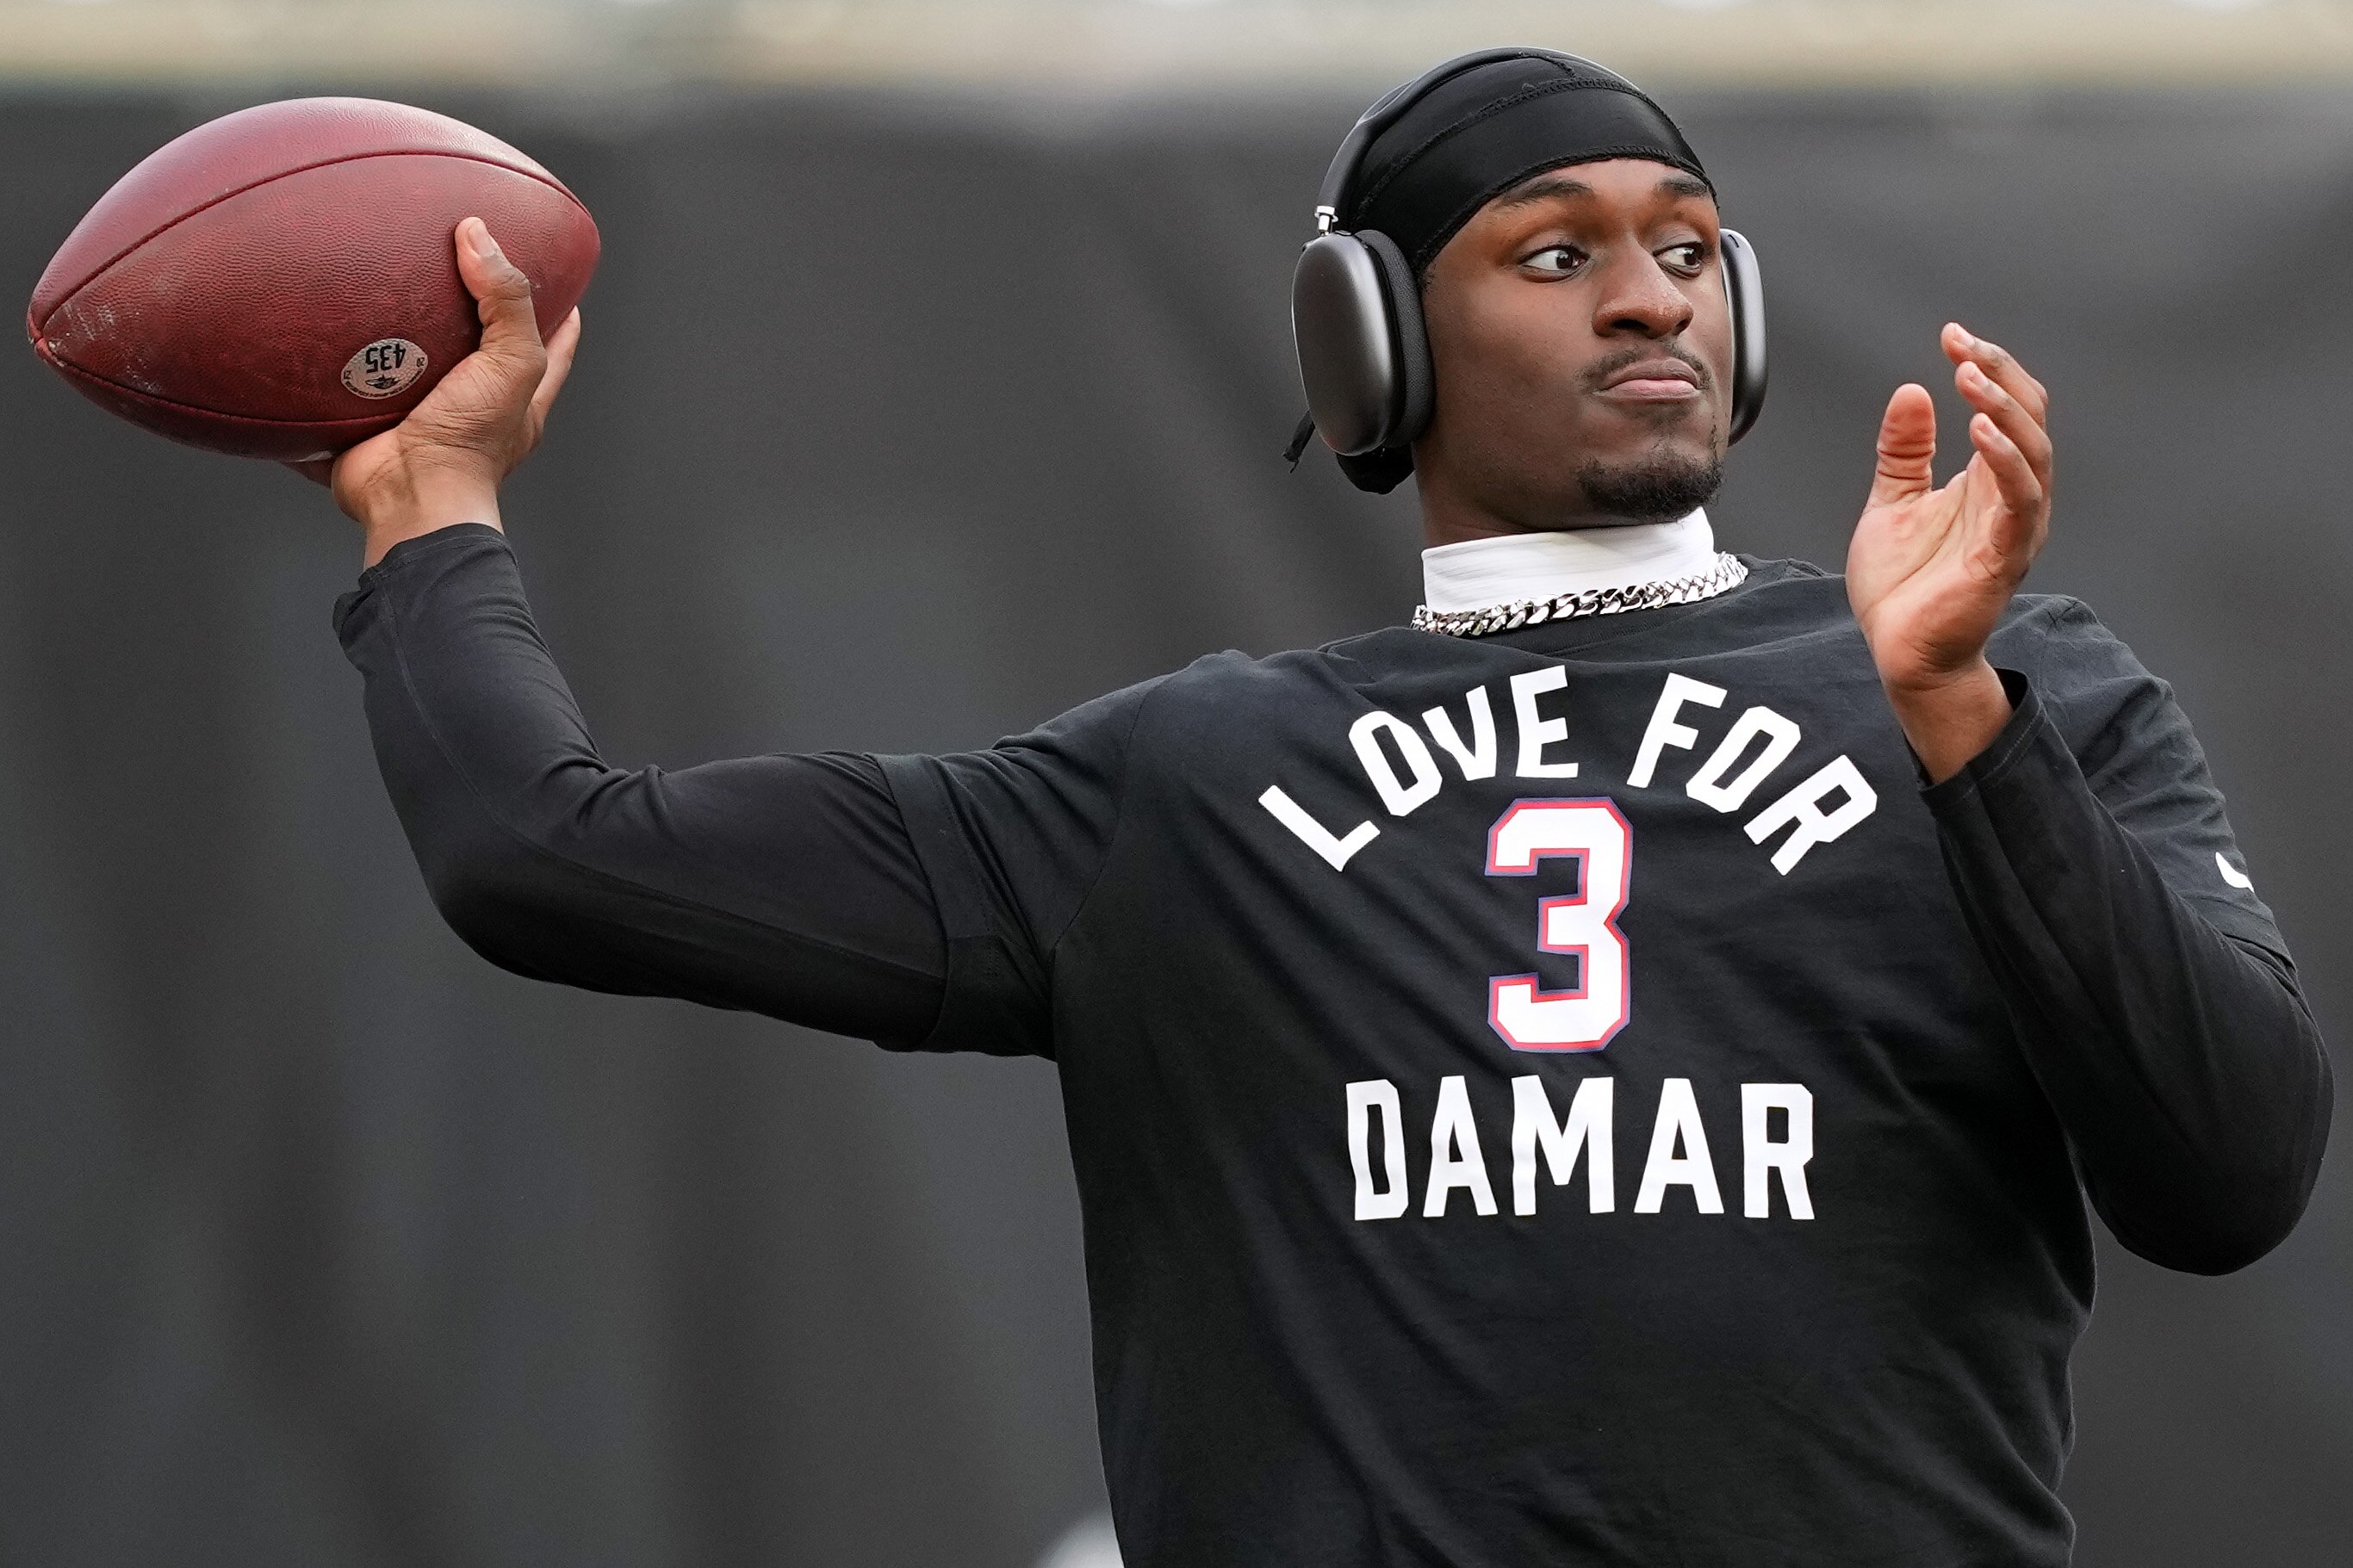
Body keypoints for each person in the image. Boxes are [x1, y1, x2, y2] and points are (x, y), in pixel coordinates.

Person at [319, 53, 2330, 1568]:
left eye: (1684, 248)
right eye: (1557, 251)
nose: (1650, 299)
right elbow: (547, 853)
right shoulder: (1184, 784)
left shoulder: (2008, 684)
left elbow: (2226, 1173)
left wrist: (1959, 715)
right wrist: (428, 510)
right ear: (1365, 341)